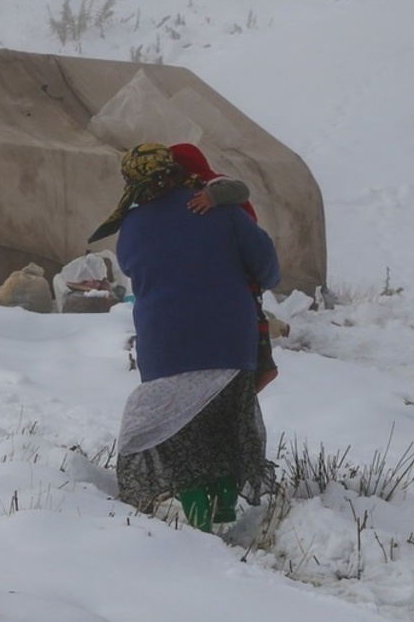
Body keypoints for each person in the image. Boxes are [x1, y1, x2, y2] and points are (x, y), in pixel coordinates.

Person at [89, 143, 281, 532]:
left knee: (180, 437)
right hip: (231, 338)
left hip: (167, 346)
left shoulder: (132, 227)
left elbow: (136, 272)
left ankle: (198, 523)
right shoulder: (221, 210)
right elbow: (268, 268)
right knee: (227, 424)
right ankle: (226, 504)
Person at [170, 142, 280, 393]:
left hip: (242, 256)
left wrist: (214, 197)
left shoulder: (212, 185)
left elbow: (241, 189)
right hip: (239, 258)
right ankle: (263, 364)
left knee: (254, 312)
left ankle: (265, 365)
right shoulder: (188, 193)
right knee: (253, 312)